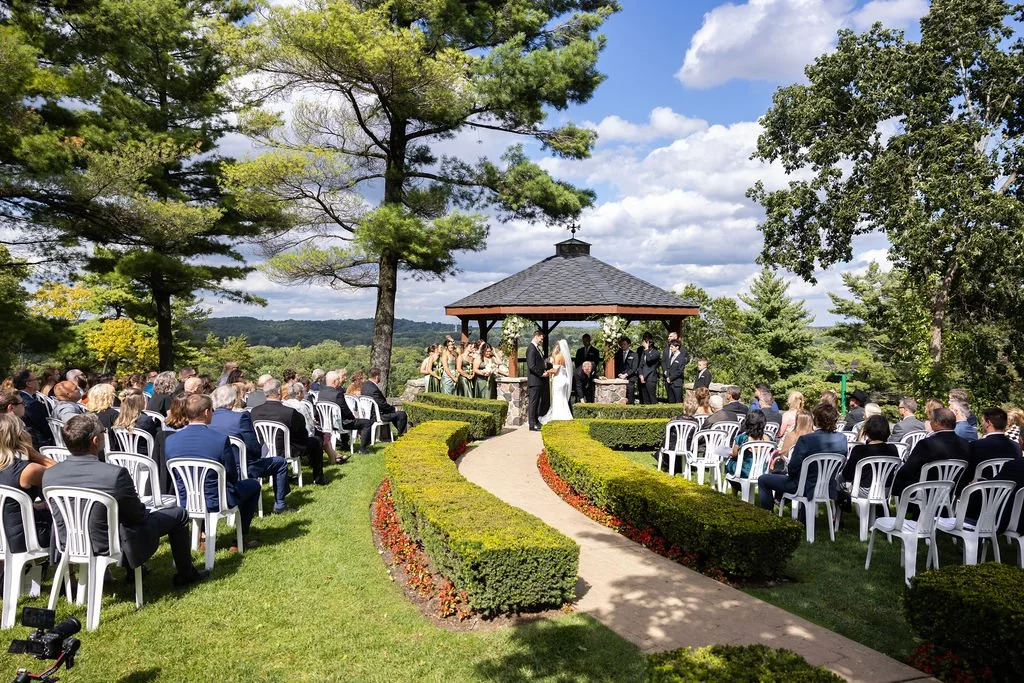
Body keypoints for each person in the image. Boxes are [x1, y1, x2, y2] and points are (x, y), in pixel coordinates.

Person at [47, 413, 210, 586]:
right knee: (178, 514)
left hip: (68, 541)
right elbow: (137, 516)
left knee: (121, 519)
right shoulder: (114, 474)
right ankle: (185, 574)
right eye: (103, 432)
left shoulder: (50, 475)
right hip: (109, 542)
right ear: (95, 441)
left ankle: (133, 571)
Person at [165, 395, 260, 550]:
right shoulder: (220, 440)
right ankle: (240, 539)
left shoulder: (171, 440)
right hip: (216, 500)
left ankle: (202, 536)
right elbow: (231, 475)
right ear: (207, 412)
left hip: (186, 499)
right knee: (253, 486)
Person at [209, 385, 294, 514]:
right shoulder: (240, 418)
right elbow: (254, 448)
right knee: (281, 462)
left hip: (218, 468)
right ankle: (280, 504)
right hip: (244, 467)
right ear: (233, 400)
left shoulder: (208, 419)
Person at [758, 402, 847, 514]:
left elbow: (793, 468)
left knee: (763, 479)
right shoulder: (842, 439)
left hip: (802, 486)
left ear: (816, 419)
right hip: (827, 486)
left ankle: (767, 517)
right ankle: (803, 520)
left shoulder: (806, 439)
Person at [251, 380, 327, 485]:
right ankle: (318, 478)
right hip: (287, 450)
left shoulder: (255, 411)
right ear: (279, 392)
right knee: (317, 440)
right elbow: (302, 435)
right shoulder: (289, 412)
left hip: (266, 449)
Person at [0, 413, 52, 553]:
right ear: (18, 436)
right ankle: (73, 573)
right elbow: (63, 477)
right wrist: (35, 454)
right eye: (24, 430)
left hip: (3, 535)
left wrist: (35, 506)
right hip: (25, 537)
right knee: (69, 520)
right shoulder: (28, 470)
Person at [892, 408, 969, 499]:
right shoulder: (965, 444)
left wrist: (894, 484)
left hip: (926, 492)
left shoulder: (926, 444)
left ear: (936, 423)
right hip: (952, 491)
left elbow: (908, 469)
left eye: (930, 420)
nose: (929, 422)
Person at [960, 407, 1023, 497]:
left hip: (979, 495)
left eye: (983, 421)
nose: (982, 424)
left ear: (989, 423)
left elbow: (967, 474)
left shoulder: (976, 446)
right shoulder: (1016, 447)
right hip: (1006, 495)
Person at [317, 371, 373, 454]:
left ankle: (345, 445)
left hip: (326, 423)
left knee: (342, 418)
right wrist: (353, 417)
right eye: (338, 380)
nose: (339, 382)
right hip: (338, 424)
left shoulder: (321, 393)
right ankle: (363, 449)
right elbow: (345, 411)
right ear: (335, 381)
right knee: (367, 423)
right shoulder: (338, 393)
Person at [842, 416, 899, 492]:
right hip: (885, 489)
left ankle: (840, 502)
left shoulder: (859, 449)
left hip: (863, 490)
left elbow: (847, 474)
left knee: (839, 480)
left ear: (868, 430)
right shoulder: (893, 449)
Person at [724, 410, 768, 494]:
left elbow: (734, 454)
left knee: (729, 463)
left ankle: (735, 493)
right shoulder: (767, 438)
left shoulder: (742, 438)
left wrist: (732, 454)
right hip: (760, 470)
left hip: (744, 470)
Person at [361, 368, 409, 437]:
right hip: (377, 415)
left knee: (396, 414)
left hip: (367, 414)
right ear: (377, 377)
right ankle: (402, 436)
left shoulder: (365, 386)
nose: (380, 378)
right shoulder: (374, 389)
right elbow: (382, 404)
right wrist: (394, 409)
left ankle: (400, 433)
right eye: (380, 376)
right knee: (402, 414)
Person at [111, 391, 160, 456]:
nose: (145, 401)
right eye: (143, 399)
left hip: (123, 458)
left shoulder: (118, 419)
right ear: (138, 403)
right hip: (144, 457)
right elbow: (154, 440)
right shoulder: (146, 420)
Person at [13, 370, 51, 448]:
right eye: (36, 379)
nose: (38, 381)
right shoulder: (32, 404)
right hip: (38, 445)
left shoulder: (18, 398)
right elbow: (46, 430)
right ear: (28, 384)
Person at [540, 340, 574, 424]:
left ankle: (557, 416)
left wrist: (547, 372)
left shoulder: (558, 356)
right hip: (564, 379)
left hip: (558, 380)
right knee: (563, 399)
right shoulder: (564, 357)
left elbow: (555, 370)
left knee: (557, 398)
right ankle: (565, 415)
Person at [526, 330, 551, 431]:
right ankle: (532, 425)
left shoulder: (536, 348)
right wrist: (541, 373)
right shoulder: (531, 349)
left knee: (536, 402)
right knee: (533, 403)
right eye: (541, 338)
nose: (542, 341)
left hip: (538, 381)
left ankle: (536, 421)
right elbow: (531, 366)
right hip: (534, 381)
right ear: (536, 336)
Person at [637, 332, 660, 405]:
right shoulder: (643, 352)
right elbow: (640, 365)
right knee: (645, 399)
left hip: (650, 378)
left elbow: (649, 360)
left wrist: (646, 349)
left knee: (652, 398)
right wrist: (640, 375)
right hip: (642, 378)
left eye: (646, 342)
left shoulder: (656, 352)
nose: (644, 343)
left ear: (650, 343)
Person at [614, 337, 638, 404]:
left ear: (628, 345)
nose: (623, 346)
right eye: (621, 344)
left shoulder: (634, 355)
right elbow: (616, 366)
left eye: (624, 344)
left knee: (630, 395)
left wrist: (625, 375)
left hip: (630, 378)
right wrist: (619, 374)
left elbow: (634, 368)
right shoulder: (617, 354)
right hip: (619, 377)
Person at [663, 339, 686, 404]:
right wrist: (667, 376)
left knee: (678, 402)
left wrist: (670, 378)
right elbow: (668, 368)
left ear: (677, 347)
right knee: (671, 402)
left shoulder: (682, 358)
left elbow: (680, 371)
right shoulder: (672, 356)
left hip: (677, 384)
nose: (670, 348)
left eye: (672, 347)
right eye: (670, 346)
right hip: (669, 383)